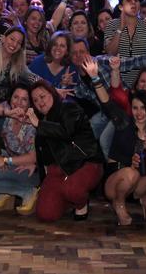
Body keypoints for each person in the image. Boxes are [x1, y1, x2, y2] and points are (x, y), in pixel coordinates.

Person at [87, 57, 146, 225]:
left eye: (143, 108)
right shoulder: (124, 122)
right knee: (131, 173)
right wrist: (95, 78)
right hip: (115, 182)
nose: (139, 113)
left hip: (137, 186)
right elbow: (107, 103)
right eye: (135, 108)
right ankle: (119, 204)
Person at [25, 80, 103, 222]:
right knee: (45, 214)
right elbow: (43, 155)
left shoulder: (69, 108)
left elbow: (66, 131)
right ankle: (67, 200)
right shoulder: (40, 120)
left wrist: (39, 124)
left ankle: (81, 203)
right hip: (57, 170)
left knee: (73, 190)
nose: (40, 102)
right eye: (35, 100)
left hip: (83, 163)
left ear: (52, 93)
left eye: (42, 96)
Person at [0, 85, 39, 215]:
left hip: (28, 168)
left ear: (30, 104)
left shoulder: (31, 123)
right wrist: (7, 113)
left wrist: (5, 161)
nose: (18, 102)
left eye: (24, 99)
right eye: (15, 97)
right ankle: (6, 190)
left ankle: (27, 192)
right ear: (10, 99)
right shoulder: (10, 111)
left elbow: (33, 158)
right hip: (11, 158)